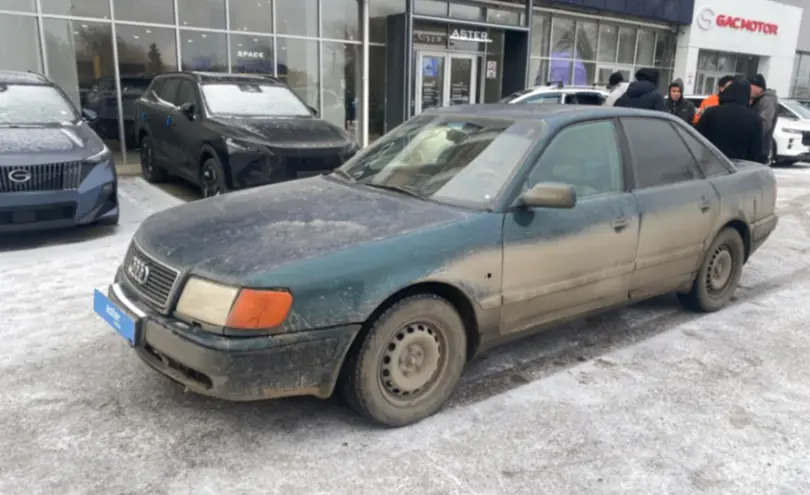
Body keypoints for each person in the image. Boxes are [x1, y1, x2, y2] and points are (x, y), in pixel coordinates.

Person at [695, 79, 764, 163]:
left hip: (711, 163)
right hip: (739, 167)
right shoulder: (754, 118)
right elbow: (756, 152)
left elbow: (697, 138)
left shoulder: (711, 113)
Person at [749, 74, 779, 163]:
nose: (749, 89)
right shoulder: (757, 100)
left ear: (759, 87)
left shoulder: (767, 100)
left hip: (760, 149)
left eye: (751, 86)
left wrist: (751, 138)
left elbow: (765, 123)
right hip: (757, 148)